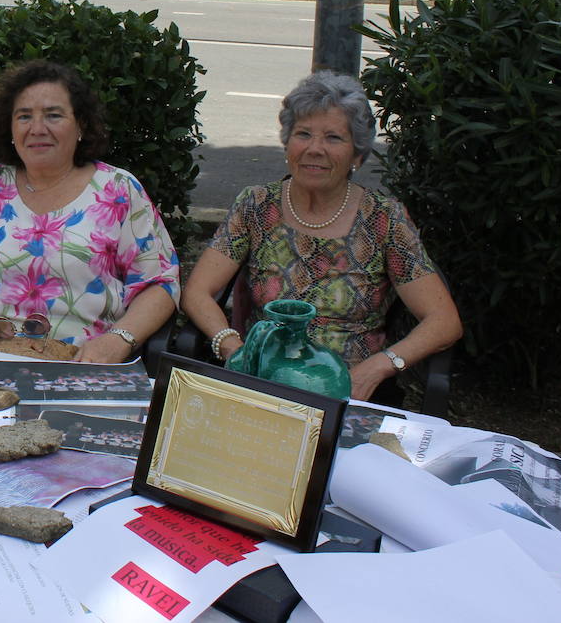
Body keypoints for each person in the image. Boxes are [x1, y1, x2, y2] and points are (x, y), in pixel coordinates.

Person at [180, 71, 462, 402]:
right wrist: (234, 350)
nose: (315, 149)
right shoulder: (256, 205)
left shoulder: (384, 219)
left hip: (351, 391)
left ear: (357, 155)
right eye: (303, 134)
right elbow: (198, 292)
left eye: (333, 138)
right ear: (288, 144)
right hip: (262, 385)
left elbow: (444, 322)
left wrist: (378, 368)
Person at [0, 60, 181, 363]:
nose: (37, 128)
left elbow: (159, 283)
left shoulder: (118, 190)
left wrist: (119, 338)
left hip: (84, 364)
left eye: (53, 115)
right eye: (24, 117)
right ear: (10, 128)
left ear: (81, 125)